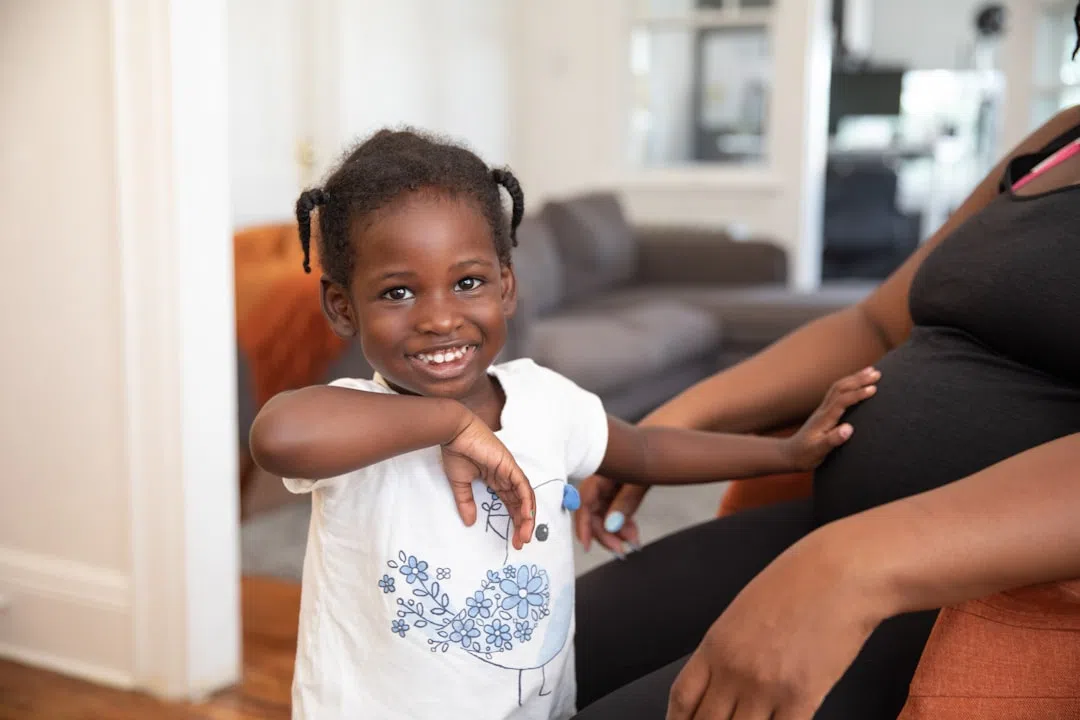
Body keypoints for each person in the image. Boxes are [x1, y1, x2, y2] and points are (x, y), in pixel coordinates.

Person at [247, 129, 876, 720]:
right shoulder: (357, 417)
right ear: (341, 307)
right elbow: (278, 435)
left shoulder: (543, 400)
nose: (439, 318)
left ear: (507, 286)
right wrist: (448, 423)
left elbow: (649, 450)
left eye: (468, 282)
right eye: (398, 293)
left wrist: (787, 454)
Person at [570, 13, 1080, 719]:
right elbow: (875, 322)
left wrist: (860, 565)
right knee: (519, 660)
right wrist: (670, 423)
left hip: (967, 593)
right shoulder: (1061, 137)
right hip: (829, 531)